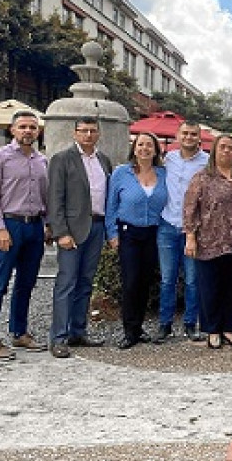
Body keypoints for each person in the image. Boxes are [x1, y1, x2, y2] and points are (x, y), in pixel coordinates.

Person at [0, 110, 50, 360]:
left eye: (32, 127)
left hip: (34, 226)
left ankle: (19, 332)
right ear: (12, 130)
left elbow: (46, 195)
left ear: (38, 131)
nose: (28, 131)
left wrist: (48, 224)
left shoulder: (42, 161)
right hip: (9, 225)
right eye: (23, 127)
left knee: (26, 283)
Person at [48, 116, 113, 358]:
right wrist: (61, 232)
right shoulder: (62, 159)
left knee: (86, 283)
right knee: (66, 283)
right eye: (83, 131)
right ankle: (59, 337)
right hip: (72, 231)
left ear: (98, 134)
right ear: (75, 133)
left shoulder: (104, 160)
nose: (88, 135)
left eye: (92, 131)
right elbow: (55, 198)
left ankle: (78, 331)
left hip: (96, 227)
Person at [183, 134, 232, 350]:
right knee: (210, 287)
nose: (226, 151)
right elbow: (190, 208)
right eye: (222, 147)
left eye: (230, 147)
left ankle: (229, 329)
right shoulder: (202, 177)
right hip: (210, 241)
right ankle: (212, 330)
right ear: (214, 150)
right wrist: (190, 236)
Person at [106, 132, 168, 349]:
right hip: (128, 233)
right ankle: (129, 331)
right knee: (131, 281)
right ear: (134, 148)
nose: (144, 149)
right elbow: (111, 206)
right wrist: (112, 234)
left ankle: (139, 327)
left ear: (156, 150)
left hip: (153, 233)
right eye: (140, 144)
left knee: (145, 282)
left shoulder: (163, 174)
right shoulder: (121, 173)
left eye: (149, 145)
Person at [156, 121, 208, 343]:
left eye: (193, 134)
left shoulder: (207, 162)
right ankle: (165, 324)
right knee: (167, 279)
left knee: (192, 280)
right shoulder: (168, 159)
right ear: (178, 135)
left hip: (193, 228)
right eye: (185, 133)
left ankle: (190, 323)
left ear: (199, 137)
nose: (188, 137)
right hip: (167, 224)